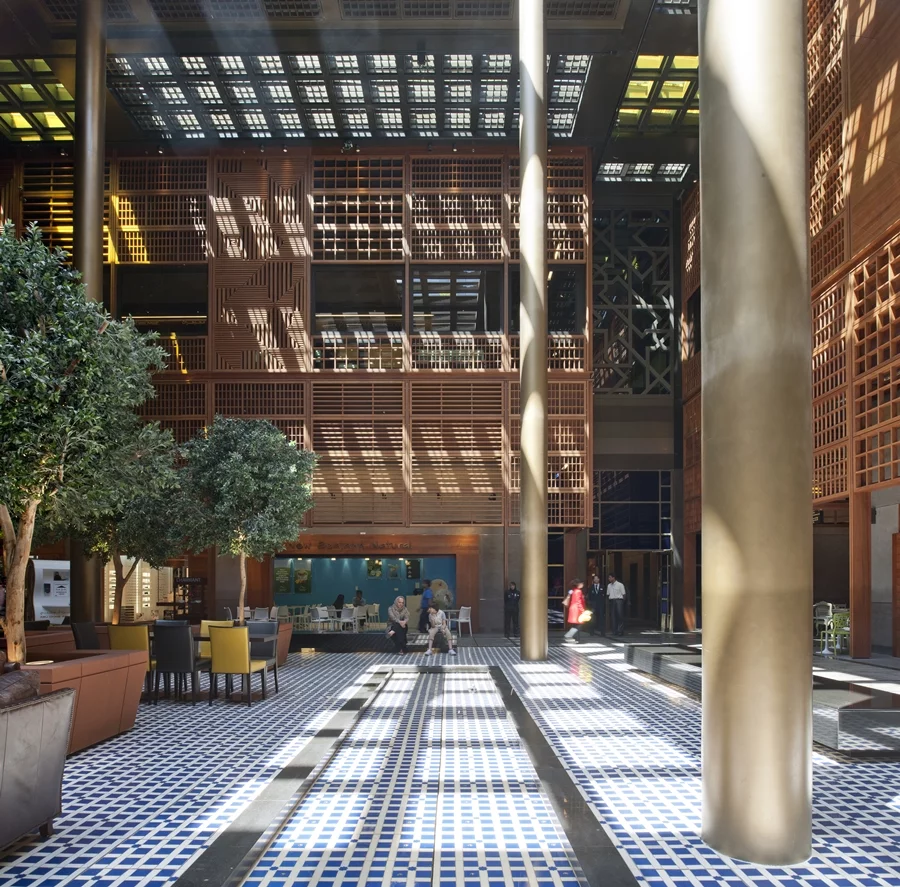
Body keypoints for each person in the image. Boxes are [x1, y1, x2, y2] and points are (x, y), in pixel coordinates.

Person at [563, 579, 586, 644]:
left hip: (573, 608)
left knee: (576, 624)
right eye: (582, 583)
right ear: (578, 584)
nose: (583, 584)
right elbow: (579, 602)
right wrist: (582, 610)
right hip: (577, 609)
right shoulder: (578, 591)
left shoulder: (573, 591)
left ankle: (570, 637)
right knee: (579, 623)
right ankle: (568, 635)